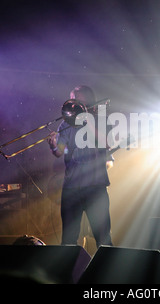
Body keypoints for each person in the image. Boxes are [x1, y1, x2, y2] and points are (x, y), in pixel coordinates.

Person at [48, 85, 113, 247]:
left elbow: (106, 144)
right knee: (68, 240)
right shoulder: (65, 124)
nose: (73, 104)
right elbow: (59, 152)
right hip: (72, 188)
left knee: (103, 237)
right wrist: (54, 145)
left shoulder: (100, 119)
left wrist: (87, 120)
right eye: (72, 100)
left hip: (96, 187)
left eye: (77, 100)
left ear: (87, 102)